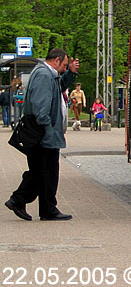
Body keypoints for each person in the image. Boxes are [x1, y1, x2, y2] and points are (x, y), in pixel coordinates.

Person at [5, 48, 73, 221]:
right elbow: (41, 107)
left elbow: (59, 88)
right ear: (56, 60)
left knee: (42, 172)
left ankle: (46, 208)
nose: (64, 68)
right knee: (45, 172)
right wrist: (49, 130)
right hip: (42, 133)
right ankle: (19, 200)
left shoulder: (47, 74)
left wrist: (71, 74)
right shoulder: (44, 75)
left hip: (40, 132)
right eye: (65, 65)